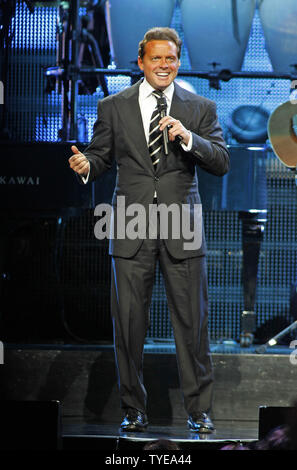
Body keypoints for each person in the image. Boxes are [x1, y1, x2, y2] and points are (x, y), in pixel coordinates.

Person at [69, 27, 229, 433]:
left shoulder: (200, 107)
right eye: (156, 59)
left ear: (178, 61)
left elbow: (221, 160)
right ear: (141, 61)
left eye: (171, 59)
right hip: (130, 224)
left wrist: (188, 138)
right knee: (128, 324)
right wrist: (88, 165)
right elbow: (100, 155)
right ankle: (133, 409)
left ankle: (199, 411)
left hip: (183, 226)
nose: (164, 66)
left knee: (192, 324)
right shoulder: (113, 106)